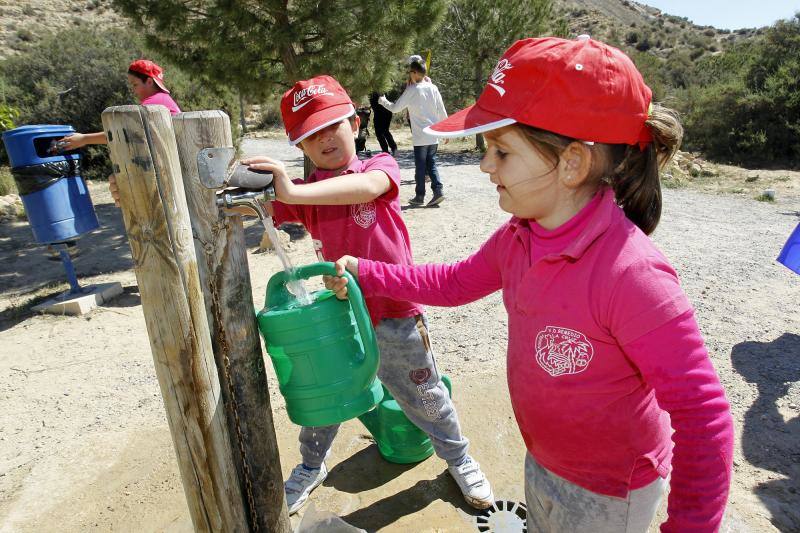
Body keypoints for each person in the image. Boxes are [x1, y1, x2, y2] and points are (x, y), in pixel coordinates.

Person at [327, 36, 734, 532]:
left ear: (572, 164)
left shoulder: (632, 276)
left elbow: (703, 416)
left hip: (610, 492)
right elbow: (453, 282)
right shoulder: (518, 237)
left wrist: (690, 526)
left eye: (500, 150)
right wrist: (366, 271)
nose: (484, 165)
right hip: (544, 462)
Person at [240, 75, 493, 515]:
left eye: (331, 125)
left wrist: (293, 188)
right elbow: (259, 208)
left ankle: (458, 458)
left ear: (355, 123)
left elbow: (367, 191)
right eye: (309, 135)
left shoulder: (379, 168)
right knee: (327, 400)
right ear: (300, 148)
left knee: (426, 396)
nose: (324, 140)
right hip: (342, 319)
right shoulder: (305, 194)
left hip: (397, 312)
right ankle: (311, 466)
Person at [58, 59, 181, 152]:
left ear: (149, 81)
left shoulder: (153, 104)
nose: (133, 90)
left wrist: (84, 139)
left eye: (135, 85)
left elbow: (123, 133)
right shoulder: (162, 99)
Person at [379, 58, 447, 207]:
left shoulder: (411, 90)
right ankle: (438, 191)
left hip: (420, 137)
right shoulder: (433, 88)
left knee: (421, 167)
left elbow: (396, 108)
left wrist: (383, 101)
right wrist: (445, 130)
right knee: (432, 164)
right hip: (434, 134)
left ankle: (420, 196)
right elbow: (441, 110)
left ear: (415, 73)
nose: (409, 75)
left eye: (410, 72)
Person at [369, 91, 397, 156]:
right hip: (381, 111)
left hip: (383, 111)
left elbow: (381, 100)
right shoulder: (374, 89)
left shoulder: (379, 88)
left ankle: (389, 150)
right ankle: (390, 149)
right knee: (383, 132)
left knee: (382, 132)